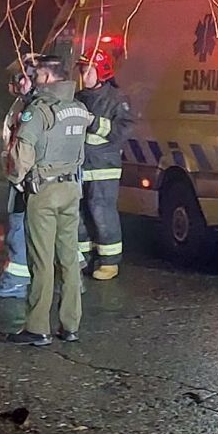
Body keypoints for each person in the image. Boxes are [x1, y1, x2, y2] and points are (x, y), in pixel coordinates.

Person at [5, 55, 89, 347]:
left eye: (38, 74)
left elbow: (22, 155)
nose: (34, 78)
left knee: (41, 261)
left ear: (49, 77)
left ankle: (38, 327)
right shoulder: (79, 108)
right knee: (68, 258)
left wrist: (16, 177)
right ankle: (70, 325)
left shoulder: (39, 112)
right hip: (71, 190)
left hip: (44, 192)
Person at [75, 49, 134, 281]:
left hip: (103, 166)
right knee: (79, 214)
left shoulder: (117, 99)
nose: (83, 75)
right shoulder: (78, 97)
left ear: (102, 71)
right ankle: (84, 258)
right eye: (81, 70)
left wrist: (93, 122)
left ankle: (110, 261)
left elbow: (121, 131)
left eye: (87, 70)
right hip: (80, 166)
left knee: (101, 212)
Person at [0, 56, 36, 298]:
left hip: (24, 179)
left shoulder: (33, 108)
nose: (12, 84)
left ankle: (17, 281)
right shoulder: (24, 103)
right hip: (20, 176)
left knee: (19, 227)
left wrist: (19, 177)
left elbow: (26, 145)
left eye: (16, 78)